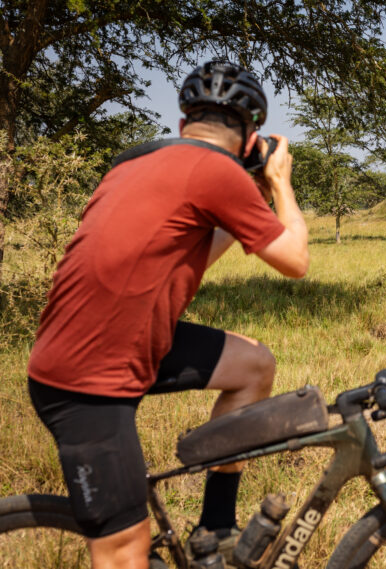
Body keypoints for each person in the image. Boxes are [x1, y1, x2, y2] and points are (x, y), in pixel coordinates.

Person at [26, 60, 309, 568]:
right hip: (86, 378)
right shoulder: (218, 172)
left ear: (183, 126)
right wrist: (280, 182)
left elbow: (192, 251)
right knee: (124, 552)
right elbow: (295, 260)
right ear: (251, 140)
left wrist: (253, 199)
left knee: (253, 367)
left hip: (113, 344)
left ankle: (217, 527)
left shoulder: (135, 162)